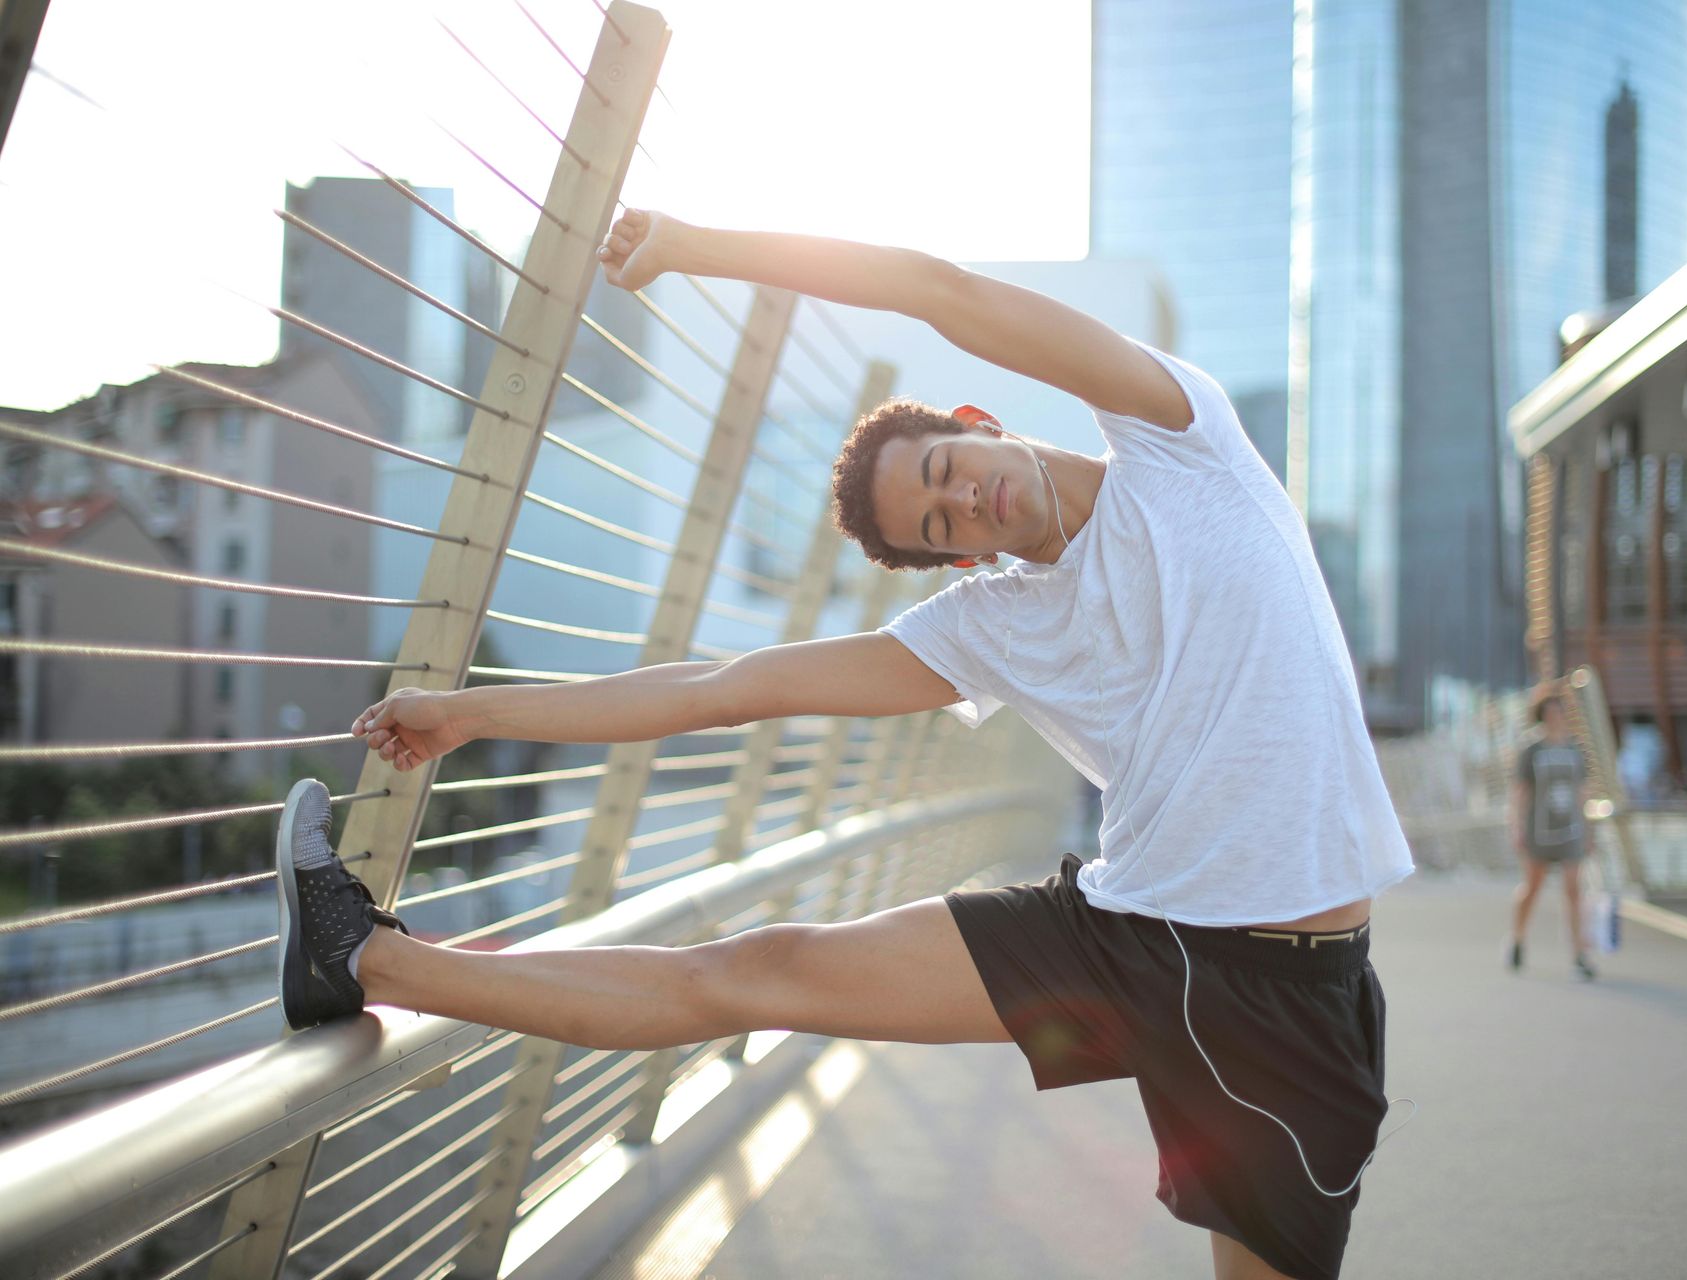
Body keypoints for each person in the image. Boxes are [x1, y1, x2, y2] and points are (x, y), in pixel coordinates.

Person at [276, 210, 1416, 1280]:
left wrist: (697, 246)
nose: (964, 502)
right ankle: (367, 957)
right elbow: (726, 688)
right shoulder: (991, 623)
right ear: (958, 563)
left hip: (1290, 984)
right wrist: (477, 711)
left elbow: (938, 288)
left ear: (976, 425)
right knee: (755, 970)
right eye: (940, 528)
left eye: (943, 474)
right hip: (1129, 931)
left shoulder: (1185, 442)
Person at [1507, 684, 1598, 981]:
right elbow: (1520, 793)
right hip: (1540, 828)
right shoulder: (1531, 750)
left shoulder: (1575, 750)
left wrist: (1589, 828)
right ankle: (1518, 939)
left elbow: (1583, 792)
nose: (1555, 717)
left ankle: (1579, 953)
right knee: (1533, 886)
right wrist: (1517, 827)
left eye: (1559, 712)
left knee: (1574, 889)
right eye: (1549, 713)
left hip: (1569, 827)